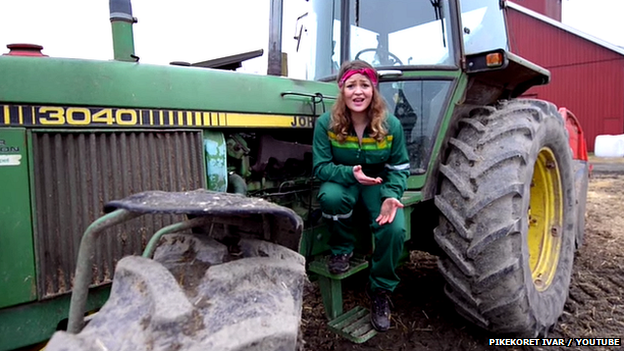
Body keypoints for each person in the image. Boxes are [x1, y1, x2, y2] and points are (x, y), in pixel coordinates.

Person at [312, 60, 410, 332]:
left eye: (364, 85)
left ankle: (380, 290)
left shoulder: (390, 125)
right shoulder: (326, 124)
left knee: (394, 228)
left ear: (373, 90)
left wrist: (391, 194)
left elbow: (400, 167)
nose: (358, 92)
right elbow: (320, 167)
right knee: (330, 197)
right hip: (343, 180)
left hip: (378, 183)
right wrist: (349, 174)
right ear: (341, 90)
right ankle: (341, 250)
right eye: (351, 85)